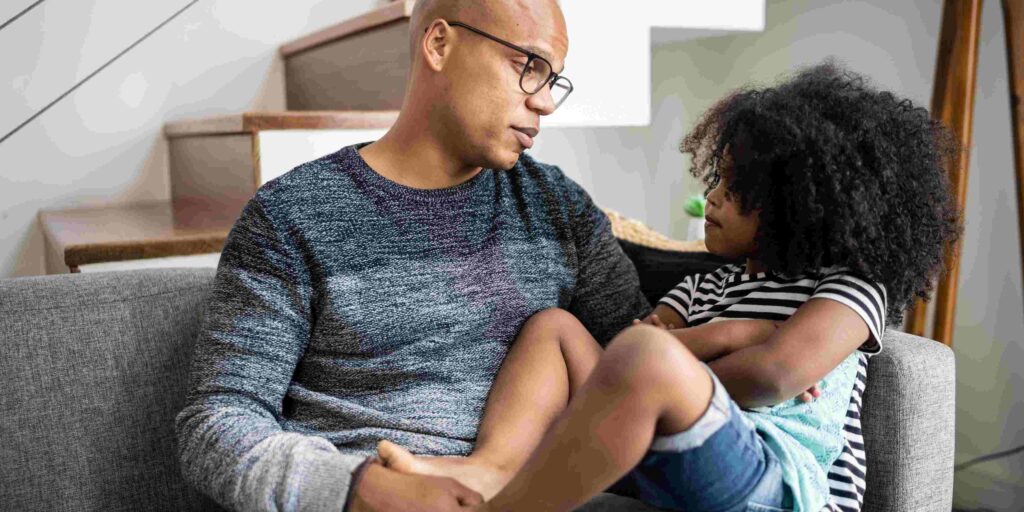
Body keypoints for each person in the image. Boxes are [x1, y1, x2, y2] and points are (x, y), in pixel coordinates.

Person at [376, 62, 962, 512]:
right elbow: (626, 358)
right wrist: (735, 332)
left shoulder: (848, 289)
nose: (713, 199)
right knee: (555, 327)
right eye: (716, 181)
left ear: (802, 205)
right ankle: (489, 467)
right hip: (671, 451)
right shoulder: (704, 289)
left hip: (778, 483)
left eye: (736, 189)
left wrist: (675, 365)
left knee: (647, 357)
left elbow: (773, 376)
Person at [173, 1, 653, 511]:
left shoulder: (559, 209)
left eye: (551, 78)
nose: (547, 103)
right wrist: (360, 489)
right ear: (439, 45)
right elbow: (217, 422)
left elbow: (646, 360)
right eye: (526, 67)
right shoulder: (292, 217)